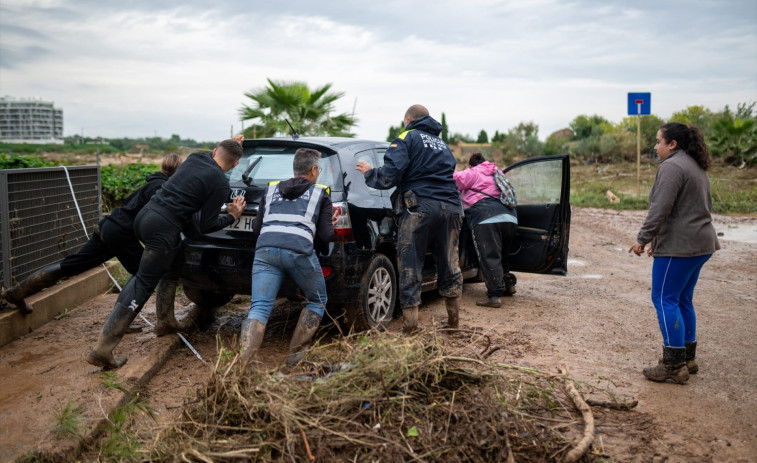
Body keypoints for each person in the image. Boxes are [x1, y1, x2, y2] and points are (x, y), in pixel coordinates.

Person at [86, 138, 247, 370]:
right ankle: (103, 348)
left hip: (145, 217)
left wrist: (232, 141)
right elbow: (203, 227)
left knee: (170, 262)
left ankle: (165, 322)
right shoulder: (220, 184)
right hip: (163, 228)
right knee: (143, 281)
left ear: (213, 152)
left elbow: (191, 224)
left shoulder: (194, 159)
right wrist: (231, 216)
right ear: (235, 166)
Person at [1, 154, 182, 315]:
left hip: (108, 225)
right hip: (122, 234)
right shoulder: (162, 188)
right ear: (179, 172)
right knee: (143, 275)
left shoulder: (150, 183)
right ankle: (120, 319)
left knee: (72, 265)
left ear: (162, 167)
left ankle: (17, 292)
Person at [356, 104, 463, 333]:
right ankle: (453, 323)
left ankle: (411, 327)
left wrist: (368, 173)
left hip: (419, 208)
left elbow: (390, 175)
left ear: (408, 119)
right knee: (449, 263)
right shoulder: (442, 145)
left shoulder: (407, 137)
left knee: (410, 264)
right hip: (452, 207)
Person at [628, 122, 720, 384]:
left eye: (658, 141)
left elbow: (661, 209)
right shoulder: (694, 165)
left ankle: (673, 365)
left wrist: (643, 239)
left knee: (664, 298)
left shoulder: (671, 167)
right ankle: (688, 358)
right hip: (701, 243)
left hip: (681, 246)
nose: (655, 147)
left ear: (672, 144)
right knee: (682, 299)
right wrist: (658, 241)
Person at [238, 148, 337, 368]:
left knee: (260, 307)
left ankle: (244, 365)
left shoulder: (271, 189)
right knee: (317, 300)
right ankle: (296, 359)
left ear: (295, 168)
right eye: (318, 169)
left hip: (265, 251)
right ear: (313, 170)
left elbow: (257, 229)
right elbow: (325, 235)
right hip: (299, 253)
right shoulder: (321, 193)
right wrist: (333, 224)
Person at [453, 153, 518, 308]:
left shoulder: (473, 172)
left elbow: (453, 180)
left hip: (486, 218)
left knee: (489, 256)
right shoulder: (497, 172)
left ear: (471, 165)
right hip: (510, 217)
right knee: (503, 255)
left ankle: (494, 296)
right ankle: (509, 285)